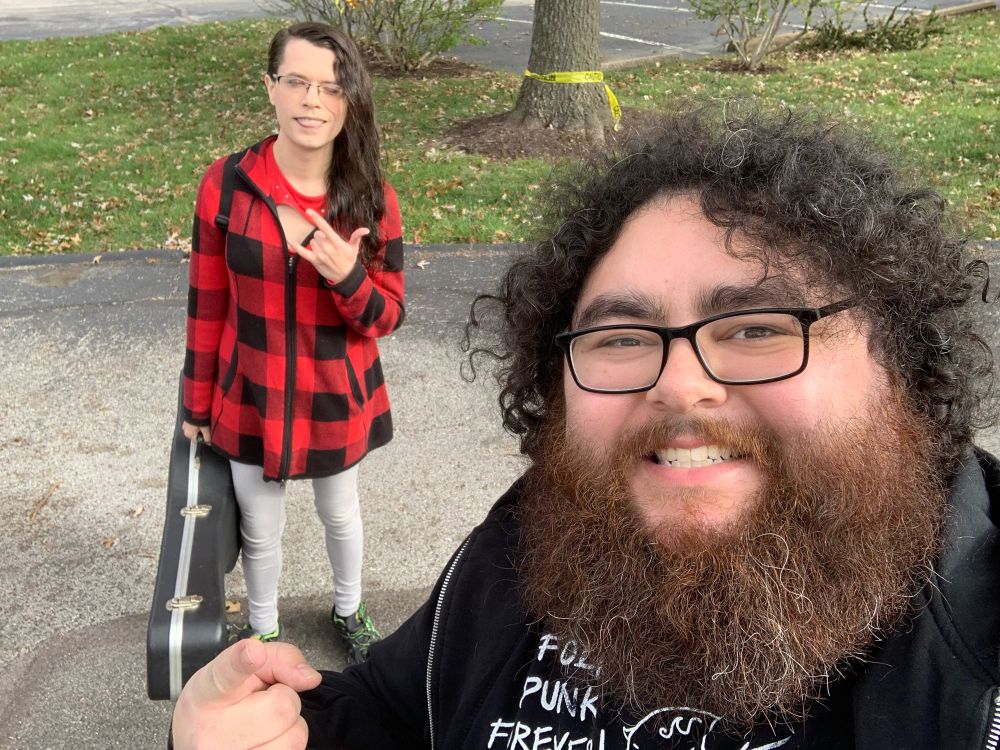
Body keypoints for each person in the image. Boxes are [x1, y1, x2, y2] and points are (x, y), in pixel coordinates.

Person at [171, 104, 1000, 749]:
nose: (681, 387)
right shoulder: (530, 548)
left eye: (757, 328)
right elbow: (392, 712)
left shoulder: (976, 674)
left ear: (904, 362)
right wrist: (276, 729)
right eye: (622, 338)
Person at [181, 21, 403, 664]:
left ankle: (349, 608)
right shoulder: (225, 186)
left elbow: (386, 316)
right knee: (260, 525)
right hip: (251, 388)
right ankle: (266, 627)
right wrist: (198, 405)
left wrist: (346, 276)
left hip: (337, 393)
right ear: (270, 88)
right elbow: (206, 304)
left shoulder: (371, 199)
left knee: (340, 513)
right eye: (297, 82)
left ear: (349, 101)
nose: (313, 101)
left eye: (332, 88)